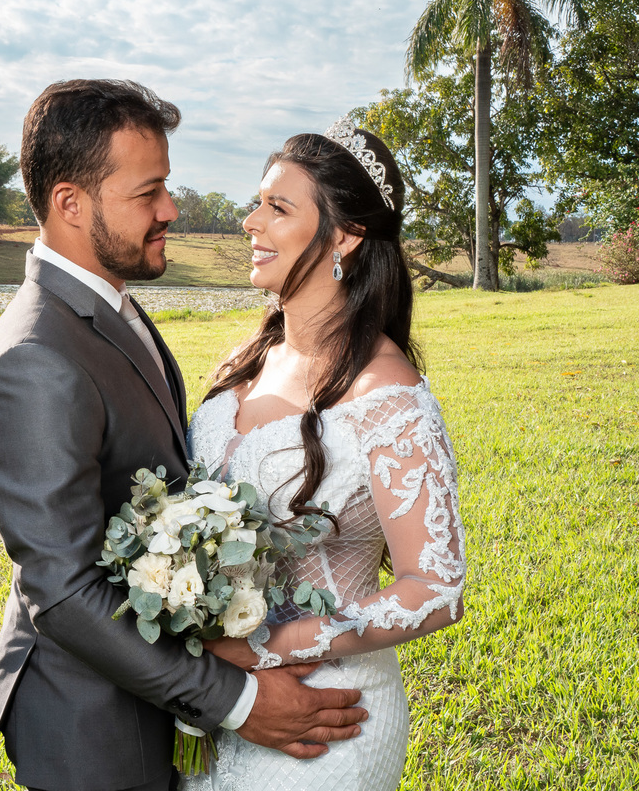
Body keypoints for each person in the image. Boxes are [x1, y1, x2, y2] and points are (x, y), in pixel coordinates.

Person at [0, 80, 368, 791]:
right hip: (96, 733)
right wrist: (238, 703)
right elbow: (61, 596)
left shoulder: (109, 307)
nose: (171, 211)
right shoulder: (35, 359)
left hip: (160, 701)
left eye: (168, 187)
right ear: (69, 203)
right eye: (147, 193)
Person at [182, 120, 467, 790]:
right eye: (257, 202)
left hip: (326, 717)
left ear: (345, 235)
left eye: (277, 208)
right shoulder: (244, 361)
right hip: (218, 711)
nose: (250, 221)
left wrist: (264, 649)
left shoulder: (387, 395)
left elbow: (437, 588)